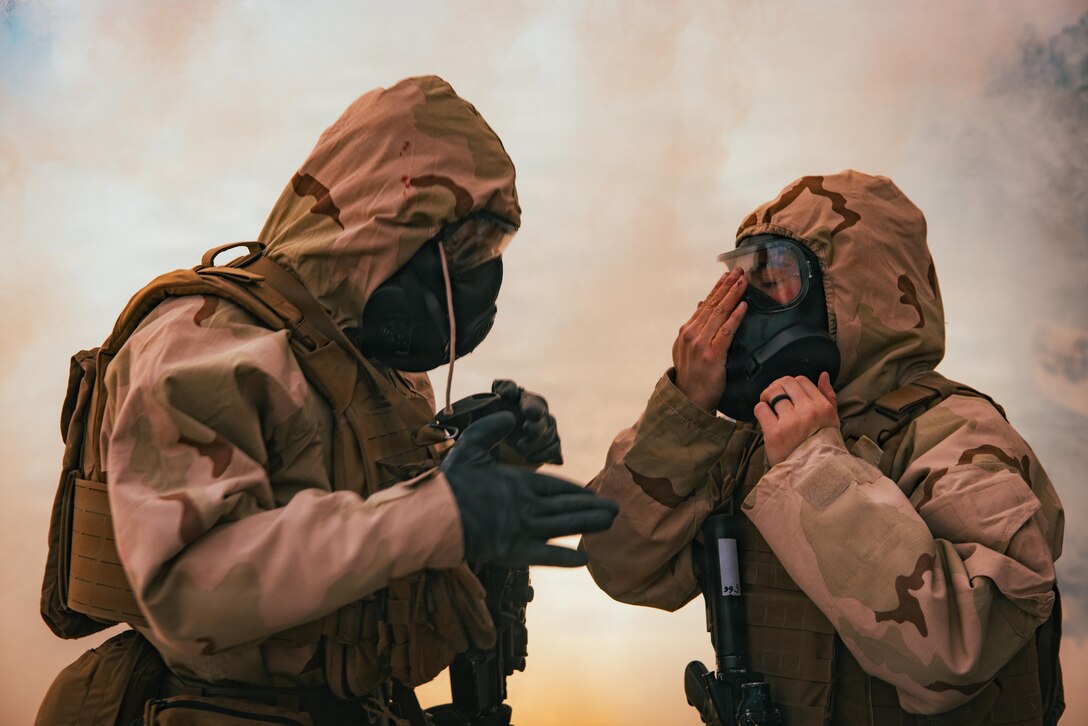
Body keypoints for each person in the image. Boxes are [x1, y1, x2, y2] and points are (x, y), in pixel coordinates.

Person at [39, 76, 617, 725]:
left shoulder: (372, 369)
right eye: (460, 244)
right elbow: (186, 586)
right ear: (383, 221)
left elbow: (377, 542)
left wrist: (495, 465)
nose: (477, 273)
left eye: (489, 247)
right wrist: (440, 514)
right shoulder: (210, 342)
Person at [582, 170, 1064, 724]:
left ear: (855, 292)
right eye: (740, 283)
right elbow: (621, 567)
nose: (744, 310)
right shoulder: (753, 441)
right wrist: (685, 414)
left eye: (775, 280)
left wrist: (814, 470)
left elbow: (958, 657)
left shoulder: (959, 436)